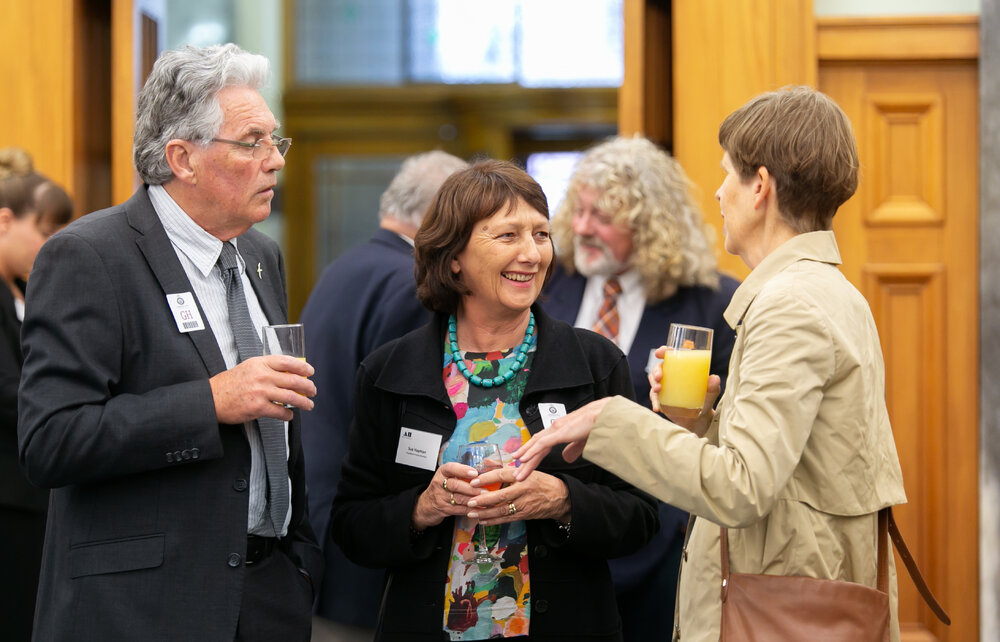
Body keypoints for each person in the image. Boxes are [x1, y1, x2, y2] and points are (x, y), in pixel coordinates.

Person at [514, 86, 907, 642]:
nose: (719, 194)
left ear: (761, 187)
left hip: (779, 605)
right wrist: (707, 420)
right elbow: (806, 467)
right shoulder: (825, 289)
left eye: (727, 175)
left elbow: (742, 488)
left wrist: (611, 420)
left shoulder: (788, 304)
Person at [17, 44, 323, 641]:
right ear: (182, 158)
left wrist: (297, 560)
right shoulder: (90, 256)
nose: (275, 161)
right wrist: (208, 402)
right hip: (144, 608)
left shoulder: (261, 256)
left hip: (266, 597)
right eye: (251, 141)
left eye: (275, 141)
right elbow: (50, 441)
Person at [330, 160, 658, 641]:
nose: (532, 254)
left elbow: (641, 516)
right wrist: (424, 507)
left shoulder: (594, 365)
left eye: (541, 235)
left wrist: (561, 501)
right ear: (454, 255)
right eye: (508, 236)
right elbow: (351, 524)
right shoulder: (390, 372)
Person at [542, 135, 738, 639]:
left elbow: (729, 429)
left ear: (650, 224)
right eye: (578, 210)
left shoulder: (711, 303)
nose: (582, 227)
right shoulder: (546, 284)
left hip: (658, 536)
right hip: (555, 526)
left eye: (602, 216)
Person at [301, 149, 468, 640]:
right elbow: (406, 421)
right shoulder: (410, 285)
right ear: (444, 217)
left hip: (320, 515)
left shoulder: (347, 265)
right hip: (366, 536)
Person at [0, 148, 73, 641]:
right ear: (5, 220)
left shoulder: (23, 291)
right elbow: (7, 389)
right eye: (44, 233)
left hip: (29, 495)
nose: (50, 246)